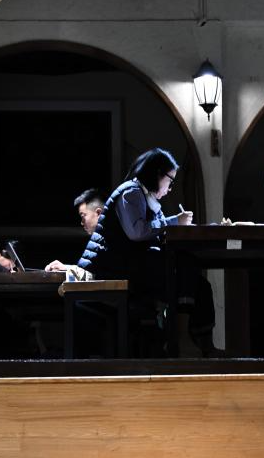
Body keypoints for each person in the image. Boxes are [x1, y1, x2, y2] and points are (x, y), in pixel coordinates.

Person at [77, 148, 219, 355]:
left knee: (200, 284)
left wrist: (174, 224)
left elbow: (154, 230)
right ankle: (180, 339)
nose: (170, 188)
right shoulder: (131, 192)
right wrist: (174, 222)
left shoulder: (147, 198)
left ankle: (205, 345)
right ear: (158, 174)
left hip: (130, 263)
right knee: (185, 267)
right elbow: (137, 232)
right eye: (170, 180)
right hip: (112, 267)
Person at [45, 188, 105, 274]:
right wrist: (65, 268)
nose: (82, 222)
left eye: (83, 216)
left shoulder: (108, 240)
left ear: (98, 213)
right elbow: (94, 271)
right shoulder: (103, 238)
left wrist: (66, 268)